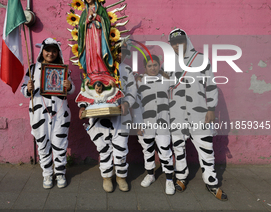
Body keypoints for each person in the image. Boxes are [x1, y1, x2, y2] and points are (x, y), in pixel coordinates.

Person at [165, 28, 228, 201]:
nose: (178, 46)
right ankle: (182, 176)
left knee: (206, 150)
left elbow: (211, 85)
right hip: (176, 114)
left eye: (180, 42)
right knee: (178, 149)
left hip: (199, 113)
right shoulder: (169, 63)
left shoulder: (200, 59)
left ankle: (211, 181)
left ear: (187, 41)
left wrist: (211, 109)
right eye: (174, 43)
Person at [78, 45, 136, 193]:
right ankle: (107, 177)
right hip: (98, 118)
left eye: (119, 52)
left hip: (120, 117)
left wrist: (127, 103)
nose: (117, 55)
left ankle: (121, 176)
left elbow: (132, 89)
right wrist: (83, 107)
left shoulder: (126, 69)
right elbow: (85, 91)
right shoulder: (93, 70)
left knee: (121, 148)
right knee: (103, 149)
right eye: (113, 51)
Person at [21, 38, 75, 189]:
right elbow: (23, 89)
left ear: (58, 52)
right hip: (39, 113)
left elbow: (72, 90)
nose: (50, 53)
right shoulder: (32, 69)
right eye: (47, 50)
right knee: (42, 143)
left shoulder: (64, 70)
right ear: (42, 51)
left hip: (60, 112)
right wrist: (28, 89)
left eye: (54, 50)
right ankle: (47, 173)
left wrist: (69, 86)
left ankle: (60, 173)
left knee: (60, 144)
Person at [136, 55, 175, 195]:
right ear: (145, 68)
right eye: (149, 66)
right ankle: (150, 175)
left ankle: (169, 180)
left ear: (159, 65)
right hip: (146, 124)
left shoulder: (167, 80)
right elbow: (137, 105)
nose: (153, 68)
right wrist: (138, 125)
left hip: (164, 123)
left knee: (165, 150)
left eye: (155, 65)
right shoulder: (140, 82)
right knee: (148, 150)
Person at [77, 0, 116, 86]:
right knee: (91, 52)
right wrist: (88, 20)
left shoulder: (101, 9)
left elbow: (106, 22)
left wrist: (98, 17)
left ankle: (103, 71)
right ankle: (91, 72)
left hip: (99, 35)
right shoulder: (84, 12)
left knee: (99, 51)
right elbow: (81, 26)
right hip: (89, 36)